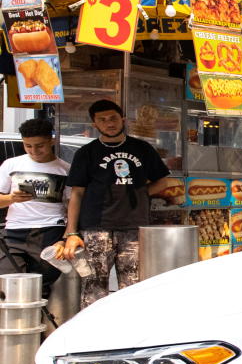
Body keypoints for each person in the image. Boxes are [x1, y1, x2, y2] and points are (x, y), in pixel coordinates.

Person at [57, 100, 173, 308]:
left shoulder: (142, 148)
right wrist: (71, 232)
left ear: (123, 120)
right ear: (95, 124)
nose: (109, 123)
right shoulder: (86, 153)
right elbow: (76, 194)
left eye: (113, 118)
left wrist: (141, 193)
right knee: (93, 286)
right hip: (95, 228)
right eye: (102, 120)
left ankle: (130, 334)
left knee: (134, 286)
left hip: (134, 227)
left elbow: (163, 180)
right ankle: (93, 335)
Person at [0, 117, 70, 298]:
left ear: (51, 140)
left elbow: (72, 207)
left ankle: (40, 325)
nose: (34, 151)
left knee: (41, 287)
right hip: (14, 231)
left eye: (40, 145)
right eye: (28, 146)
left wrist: (65, 238)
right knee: (9, 285)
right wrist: (11, 198)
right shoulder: (11, 165)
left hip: (50, 231)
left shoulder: (65, 169)